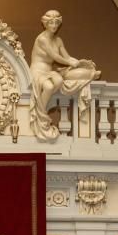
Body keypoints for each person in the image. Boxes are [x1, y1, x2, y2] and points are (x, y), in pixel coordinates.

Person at [28, 9, 100, 141]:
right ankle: (41, 114)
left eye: (56, 23)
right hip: (37, 71)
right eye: (51, 23)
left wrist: (79, 63)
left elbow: (66, 56)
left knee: (60, 81)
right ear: (45, 24)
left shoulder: (58, 40)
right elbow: (55, 56)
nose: (54, 26)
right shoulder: (42, 39)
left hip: (49, 71)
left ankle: (89, 74)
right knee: (49, 87)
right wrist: (69, 62)